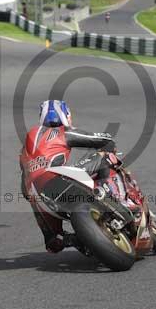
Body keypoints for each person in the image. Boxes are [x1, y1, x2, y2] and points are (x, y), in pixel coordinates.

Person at [20, 100, 118, 253]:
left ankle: (76, 239)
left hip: (37, 196)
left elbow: (25, 190)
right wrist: (109, 145)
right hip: (58, 180)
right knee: (104, 154)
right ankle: (108, 191)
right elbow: (104, 139)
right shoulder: (62, 132)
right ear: (65, 115)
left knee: (53, 242)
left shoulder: (25, 150)